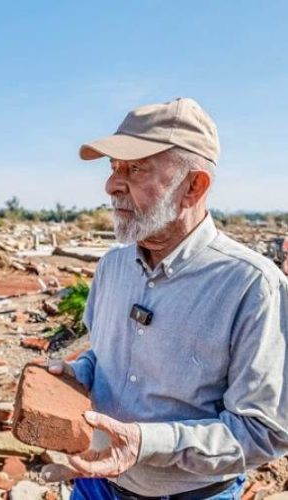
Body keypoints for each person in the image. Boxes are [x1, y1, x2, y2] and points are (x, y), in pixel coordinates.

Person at [41, 98, 288, 499]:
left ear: (194, 186)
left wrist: (145, 443)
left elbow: (264, 431)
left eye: (135, 168)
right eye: (113, 167)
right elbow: (101, 354)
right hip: (95, 484)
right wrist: (78, 374)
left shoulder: (252, 286)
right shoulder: (112, 267)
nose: (111, 185)